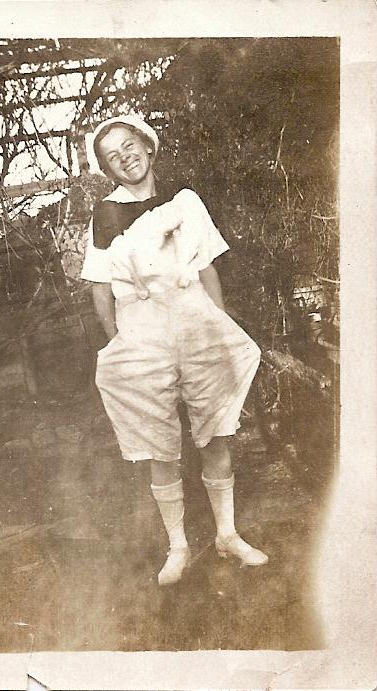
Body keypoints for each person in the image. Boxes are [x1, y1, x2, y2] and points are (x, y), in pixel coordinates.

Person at [81, 114, 268, 586]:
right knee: (159, 445)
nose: (125, 157)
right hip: (143, 330)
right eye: (112, 156)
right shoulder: (105, 215)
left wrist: (218, 326)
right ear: (107, 168)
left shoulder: (186, 202)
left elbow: (206, 268)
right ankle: (178, 547)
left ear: (147, 144)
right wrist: (120, 340)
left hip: (196, 321)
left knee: (216, 432)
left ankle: (227, 535)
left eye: (129, 145)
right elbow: (100, 288)